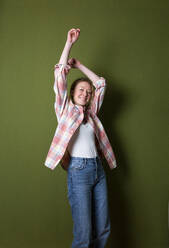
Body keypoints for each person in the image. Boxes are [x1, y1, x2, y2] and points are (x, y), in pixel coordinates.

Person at [44, 28, 117, 248]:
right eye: (81, 90)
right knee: (84, 234)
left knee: (103, 228)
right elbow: (59, 78)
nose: (85, 93)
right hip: (79, 171)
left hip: (98, 170)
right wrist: (69, 46)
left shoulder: (92, 113)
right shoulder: (65, 110)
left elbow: (101, 84)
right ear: (73, 93)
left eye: (87, 91)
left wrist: (81, 66)